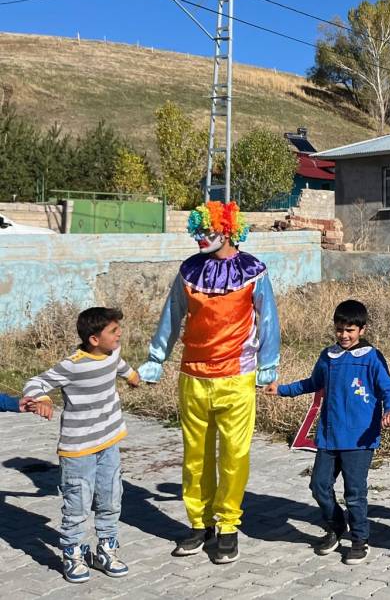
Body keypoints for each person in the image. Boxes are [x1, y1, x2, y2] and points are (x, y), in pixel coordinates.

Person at [137, 201, 280, 565]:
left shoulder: (253, 270)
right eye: (197, 230)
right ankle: (200, 524)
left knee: (234, 455)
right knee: (195, 457)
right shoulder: (189, 271)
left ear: (228, 228)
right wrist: (156, 358)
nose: (200, 237)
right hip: (194, 376)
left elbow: (268, 322)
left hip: (237, 376)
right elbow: (171, 315)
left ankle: (228, 525)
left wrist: (268, 364)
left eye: (207, 230)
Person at [264, 299, 390, 565]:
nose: (344, 335)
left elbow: (388, 389)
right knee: (319, 486)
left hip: (360, 440)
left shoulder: (372, 357)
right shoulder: (328, 356)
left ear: (362, 329)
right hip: (329, 437)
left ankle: (360, 540)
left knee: (354, 493)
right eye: (340, 329)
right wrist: (281, 389)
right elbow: (312, 383)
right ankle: (337, 526)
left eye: (350, 330)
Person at [22, 307, 140, 583]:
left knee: (111, 497)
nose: (119, 333)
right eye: (113, 330)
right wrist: (43, 400)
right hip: (78, 450)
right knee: (78, 503)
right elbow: (36, 381)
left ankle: (106, 549)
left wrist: (132, 376)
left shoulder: (113, 352)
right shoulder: (73, 365)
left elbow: (118, 365)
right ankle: (73, 553)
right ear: (94, 339)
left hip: (109, 442)